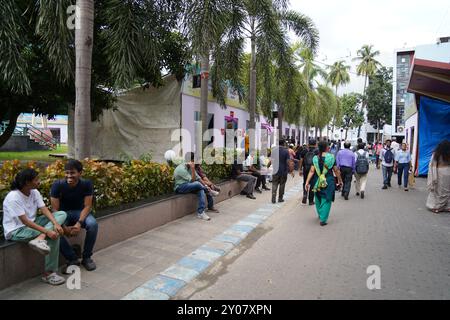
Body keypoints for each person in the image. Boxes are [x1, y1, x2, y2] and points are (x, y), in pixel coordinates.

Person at [3, 169, 67, 285]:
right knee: (53, 236)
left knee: (61, 214)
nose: (39, 181)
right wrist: (48, 232)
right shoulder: (13, 197)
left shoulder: (34, 192)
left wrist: (56, 224)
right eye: (36, 179)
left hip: (33, 223)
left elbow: (44, 209)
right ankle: (49, 274)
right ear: (27, 182)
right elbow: (25, 222)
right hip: (17, 230)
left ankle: (40, 238)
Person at [51, 160, 99, 272]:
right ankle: (72, 259)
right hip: (63, 214)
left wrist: (79, 223)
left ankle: (87, 258)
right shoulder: (57, 185)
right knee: (55, 229)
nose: (69, 176)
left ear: (80, 173)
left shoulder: (86, 184)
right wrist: (63, 226)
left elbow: (87, 206)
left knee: (93, 225)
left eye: (72, 173)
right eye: (67, 173)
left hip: (80, 212)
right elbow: (55, 210)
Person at [305, 141, 343, 226]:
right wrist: (340, 180)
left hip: (316, 180)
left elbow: (311, 171)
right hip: (328, 180)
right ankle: (323, 219)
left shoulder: (315, 158)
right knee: (326, 198)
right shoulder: (331, 157)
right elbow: (336, 170)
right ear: (327, 148)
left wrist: (307, 182)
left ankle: (320, 214)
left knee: (318, 197)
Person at [426, 140, 450, 214]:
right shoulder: (448, 154)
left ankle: (436, 207)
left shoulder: (436, 154)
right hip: (448, 172)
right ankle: (447, 206)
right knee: (447, 190)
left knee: (438, 190)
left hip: (440, 173)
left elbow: (432, 165)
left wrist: (433, 177)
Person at [271, 139, 291, 204]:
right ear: (284, 143)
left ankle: (273, 198)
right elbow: (288, 162)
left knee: (274, 183)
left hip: (275, 170)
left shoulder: (274, 150)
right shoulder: (286, 151)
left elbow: (271, 160)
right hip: (283, 171)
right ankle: (280, 198)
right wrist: (291, 170)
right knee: (282, 184)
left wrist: (268, 166)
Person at [299, 139, 318, 205]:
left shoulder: (304, 151)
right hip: (314, 169)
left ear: (308, 144)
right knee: (313, 184)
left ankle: (305, 194)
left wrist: (300, 169)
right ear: (315, 144)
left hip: (306, 168)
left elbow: (301, 160)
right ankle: (311, 200)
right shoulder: (317, 151)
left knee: (305, 182)